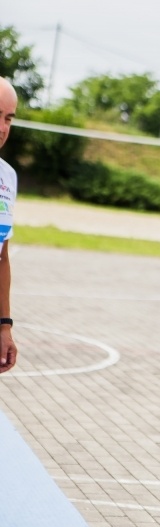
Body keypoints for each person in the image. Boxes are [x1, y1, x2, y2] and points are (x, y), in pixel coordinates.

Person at [0, 78, 18, 375]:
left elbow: (1, 257)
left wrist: (4, 326)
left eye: (8, 118)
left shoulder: (8, 177)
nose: (3, 127)